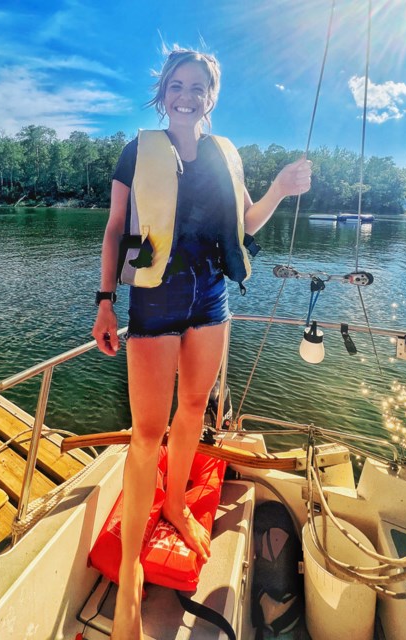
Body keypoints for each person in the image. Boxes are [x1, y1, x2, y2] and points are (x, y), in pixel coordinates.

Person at [91, 48, 312, 639]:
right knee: (145, 433)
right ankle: (133, 573)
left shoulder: (225, 154)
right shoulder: (138, 150)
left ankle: (173, 503)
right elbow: (116, 228)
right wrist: (106, 301)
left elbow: (245, 226)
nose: (187, 95)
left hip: (211, 299)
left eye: (199, 87)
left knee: (193, 410)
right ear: (162, 91)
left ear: (211, 96)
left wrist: (281, 190)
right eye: (178, 85)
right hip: (155, 300)